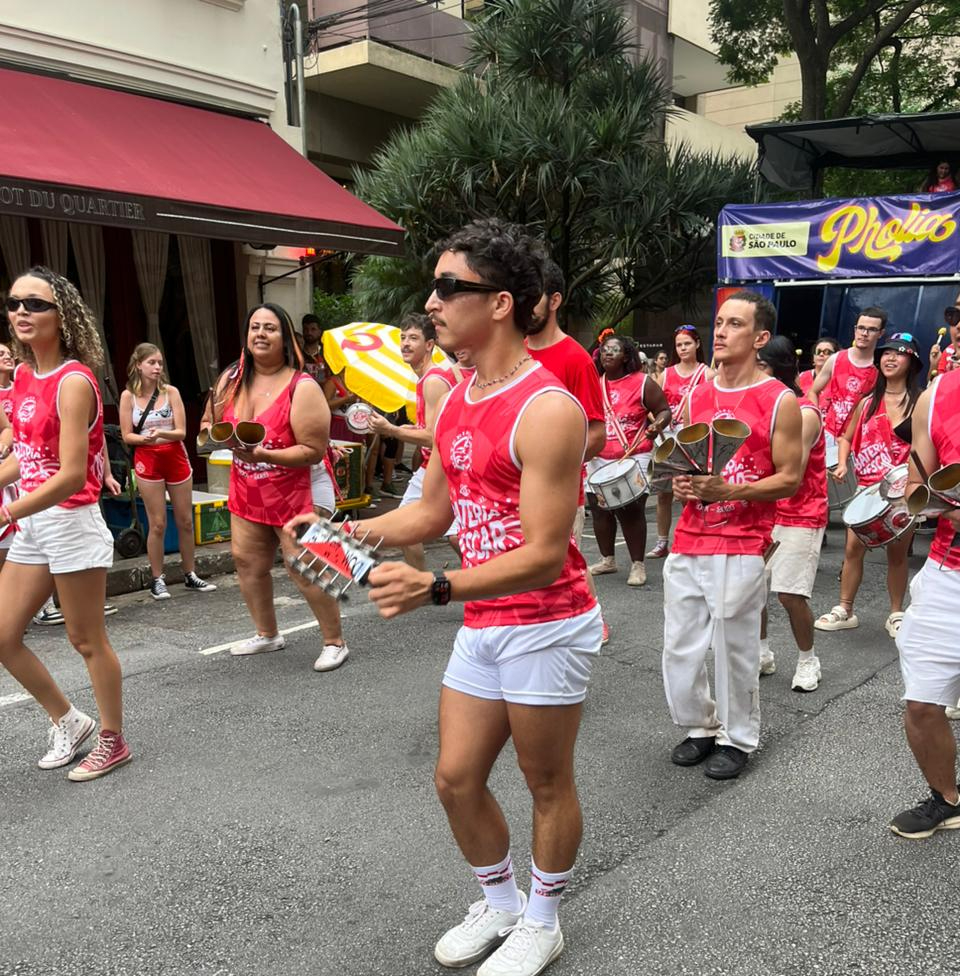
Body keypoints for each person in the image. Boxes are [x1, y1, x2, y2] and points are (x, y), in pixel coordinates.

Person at [290, 218, 601, 976]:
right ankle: (497, 903)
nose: (431, 301)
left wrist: (437, 585)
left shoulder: (549, 409)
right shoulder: (458, 396)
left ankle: (543, 920)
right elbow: (435, 513)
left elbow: (543, 553)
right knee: (455, 778)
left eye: (447, 287)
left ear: (499, 302)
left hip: (547, 621)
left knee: (545, 781)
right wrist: (345, 530)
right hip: (483, 618)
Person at [663, 291, 801, 780]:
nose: (719, 332)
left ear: (760, 337)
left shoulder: (778, 400)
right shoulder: (696, 391)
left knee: (732, 645)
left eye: (734, 324)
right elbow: (685, 458)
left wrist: (731, 488)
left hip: (743, 541)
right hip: (689, 536)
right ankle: (700, 725)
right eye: (719, 322)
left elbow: (790, 478)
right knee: (680, 645)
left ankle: (737, 738)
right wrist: (682, 482)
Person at [0, 266, 131, 780]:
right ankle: (68, 721)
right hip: (35, 521)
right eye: (14, 303)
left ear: (63, 316)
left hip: (71, 520)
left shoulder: (74, 381)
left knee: (86, 639)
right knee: (3, 634)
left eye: (35, 304)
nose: (21, 313)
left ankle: (112, 738)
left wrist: (10, 509)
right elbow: (28, 458)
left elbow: (74, 474)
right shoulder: (25, 376)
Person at [208, 303, 350, 672]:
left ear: (285, 338)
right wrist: (219, 438)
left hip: (300, 486)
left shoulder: (301, 386)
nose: (260, 334)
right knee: (247, 561)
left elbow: (313, 451)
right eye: (254, 327)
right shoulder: (232, 379)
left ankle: (335, 640)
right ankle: (268, 634)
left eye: (269, 328)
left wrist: (265, 456)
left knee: (303, 564)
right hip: (250, 485)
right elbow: (209, 423)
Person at [889, 366, 960, 838]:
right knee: (921, 703)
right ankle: (948, 799)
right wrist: (917, 500)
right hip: (947, 574)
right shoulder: (938, 395)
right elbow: (920, 485)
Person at [815, 333, 922, 637]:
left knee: (898, 554)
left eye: (899, 354)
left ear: (911, 362)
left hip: (902, 491)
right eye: (886, 353)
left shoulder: (919, 402)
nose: (890, 358)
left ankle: (896, 613)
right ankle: (845, 608)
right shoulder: (867, 403)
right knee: (852, 548)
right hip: (867, 489)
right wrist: (844, 461)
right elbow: (846, 436)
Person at [526, 259, 608, 641]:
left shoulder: (575, 358)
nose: (525, 304)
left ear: (554, 300)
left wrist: (553, 465)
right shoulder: (512, 353)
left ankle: (586, 621)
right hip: (512, 491)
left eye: (534, 296)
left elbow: (597, 434)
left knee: (562, 567)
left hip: (560, 492)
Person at [756, 337, 828, 691]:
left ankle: (808, 660)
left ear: (779, 370)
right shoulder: (762, 407)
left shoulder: (805, 413)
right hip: (764, 512)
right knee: (752, 591)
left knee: (789, 594)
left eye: (763, 368)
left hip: (801, 513)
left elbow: (791, 473)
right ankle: (762, 653)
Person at [119, 343, 215, 600]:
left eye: (160, 363)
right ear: (138, 365)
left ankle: (190, 573)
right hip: (147, 459)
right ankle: (156, 578)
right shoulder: (128, 396)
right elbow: (127, 434)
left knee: (185, 519)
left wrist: (162, 434)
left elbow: (182, 431)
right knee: (158, 523)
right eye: (152, 363)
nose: (157, 368)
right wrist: (145, 440)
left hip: (175, 455)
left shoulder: (171, 392)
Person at [368, 313, 456, 570]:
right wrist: (411, 428)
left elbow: (432, 437)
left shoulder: (433, 381)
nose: (405, 343)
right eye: (403, 337)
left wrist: (392, 429)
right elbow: (435, 427)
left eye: (413, 338)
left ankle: (488, 587)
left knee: (457, 537)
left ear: (429, 344)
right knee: (408, 531)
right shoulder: (426, 378)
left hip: (443, 470)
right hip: (432, 469)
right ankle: (423, 584)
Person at [586, 333, 670, 587]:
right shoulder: (592, 382)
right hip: (597, 457)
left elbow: (664, 410)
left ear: (627, 356)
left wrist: (657, 425)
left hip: (633, 456)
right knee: (600, 511)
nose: (608, 354)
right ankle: (608, 560)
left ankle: (637, 564)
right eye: (604, 350)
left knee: (631, 511)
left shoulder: (642, 382)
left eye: (615, 350)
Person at [648, 324, 713, 559]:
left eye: (687, 343)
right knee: (664, 494)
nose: (683, 348)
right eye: (679, 345)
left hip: (693, 442)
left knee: (689, 493)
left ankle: (691, 536)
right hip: (667, 441)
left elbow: (713, 407)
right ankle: (662, 541)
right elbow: (652, 404)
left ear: (697, 344)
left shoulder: (707, 373)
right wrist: (657, 423)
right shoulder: (666, 374)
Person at [807, 308, 885, 441]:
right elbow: (813, 391)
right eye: (861, 328)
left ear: (881, 333)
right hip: (828, 434)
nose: (864, 333)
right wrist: (817, 421)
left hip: (858, 440)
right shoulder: (836, 359)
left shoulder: (881, 366)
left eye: (871, 329)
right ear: (855, 330)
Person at [928, 301, 960, 379]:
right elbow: (933, 386)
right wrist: (934, 364)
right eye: (955, 316)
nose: (959, 326)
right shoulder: (949, 351)